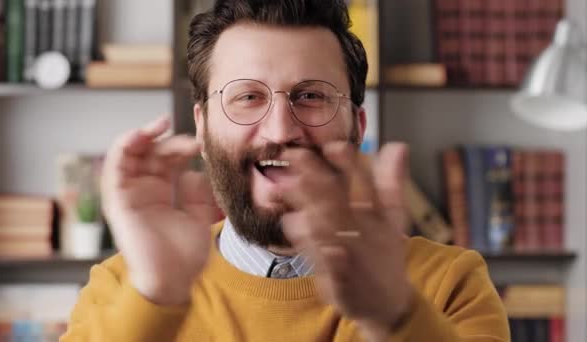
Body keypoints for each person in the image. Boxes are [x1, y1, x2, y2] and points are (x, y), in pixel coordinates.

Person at [61, 0, 510, 341]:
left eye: (311, 95)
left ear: (357, 124)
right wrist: (156, 297)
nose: (281, 129)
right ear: (201, 125)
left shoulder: (450, 281)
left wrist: (397, 317)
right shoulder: (125, 288)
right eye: (248, 97)